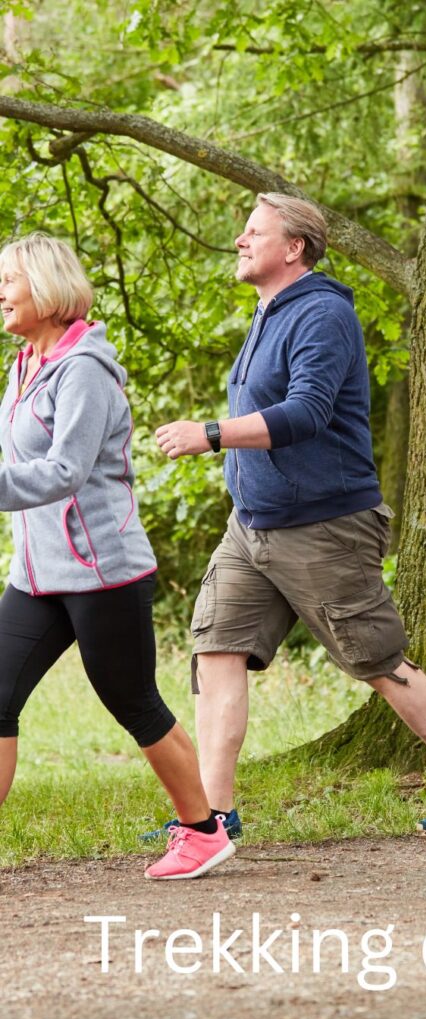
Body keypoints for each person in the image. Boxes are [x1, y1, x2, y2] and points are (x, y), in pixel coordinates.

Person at [148, 192, 426, 839]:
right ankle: (211, 818)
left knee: (374, 656)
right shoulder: (268, 312)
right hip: (252, 524)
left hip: (323, 525)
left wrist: (212, 432)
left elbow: (307, 412)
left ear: (294, 248)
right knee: (217, 649)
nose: (239, 240)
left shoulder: (321, 313)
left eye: (254, 231)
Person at [0, 232, 233, 880]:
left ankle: (202, 830)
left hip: (102, 571)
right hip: (37, 574)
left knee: (132, 702)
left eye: (8, 281)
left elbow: (66, 470)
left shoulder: (85, 370)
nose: (0, 294)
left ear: (45, 289)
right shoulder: (26, 363)